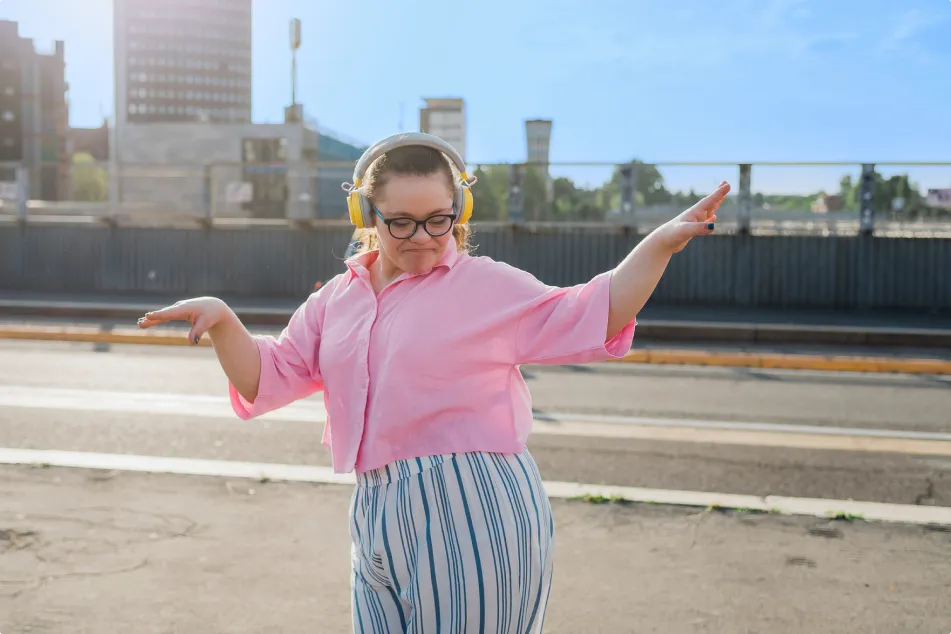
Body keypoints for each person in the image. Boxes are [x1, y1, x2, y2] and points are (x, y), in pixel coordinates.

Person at [138, 132, 730, 633]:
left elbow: (593, 311)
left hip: (476, 503)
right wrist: (222, 320)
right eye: (400, 222)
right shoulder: (335, 301)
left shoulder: (484, 284)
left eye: (438, 220)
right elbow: (269, 376)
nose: (422, 236)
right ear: (366, 217)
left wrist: (658, 245)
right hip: (374, 507)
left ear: (459, 213)